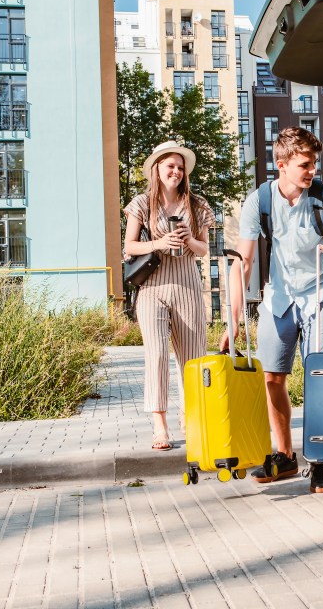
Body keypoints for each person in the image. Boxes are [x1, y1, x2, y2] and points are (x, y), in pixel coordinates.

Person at [222, 127, 323, 493]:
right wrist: (233, 322)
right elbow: (243, 263)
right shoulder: (259, 201)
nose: (312, 171)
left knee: (320, 379)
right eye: (305, 164)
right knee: (271, 378)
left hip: (321, 296)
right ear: (282, 164)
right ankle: (285, 456)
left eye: (314, 164)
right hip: (279, 297)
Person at [124, 140, 215, 451]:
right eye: (169, 166)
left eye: (180, 167)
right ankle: (159, 424)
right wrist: (158, 243)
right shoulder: (141, 203)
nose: (175, 171)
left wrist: (189, 238)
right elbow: (129, 247)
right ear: (157, 170)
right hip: (152, 288)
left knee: (192, 359)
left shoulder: (197, 205)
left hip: (188, 285)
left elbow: (204, 250)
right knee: (157, 355)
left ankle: (191, 417)